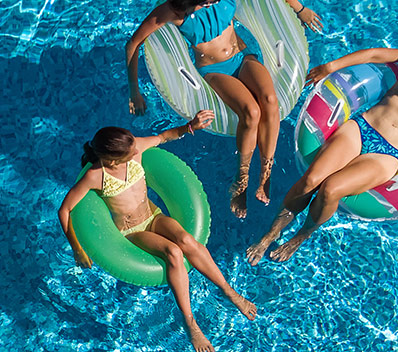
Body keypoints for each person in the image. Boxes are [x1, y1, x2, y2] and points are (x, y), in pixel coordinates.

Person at [245, 40, 398, 265]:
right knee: (311, 179)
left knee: (331, 189)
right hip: (361, 130)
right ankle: (271, 233)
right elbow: (374, 54)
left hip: (386, 155)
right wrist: (330, 67)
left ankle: (302, 235)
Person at [124, 0, 323, 219]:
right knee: (250, 112)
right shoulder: (174, 10)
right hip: (215, 70)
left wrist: (299, 8)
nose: (215, 2)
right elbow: (133, 44)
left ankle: (265, 174)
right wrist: (134, 91)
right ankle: (241, 180)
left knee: (270, 101)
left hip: (244, 57)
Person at [58, 110, 256, 352]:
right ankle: (190, 323)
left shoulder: (136, 148)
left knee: (185, 238)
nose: (136, 152)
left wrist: (190, 126)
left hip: (154, 216)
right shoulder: (94, 176)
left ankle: (229, 292)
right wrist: (77, 248)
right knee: (173, 252)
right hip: (132, 231)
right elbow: (65, 210)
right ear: (112, 160)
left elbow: (163, 137)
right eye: (130, 153)